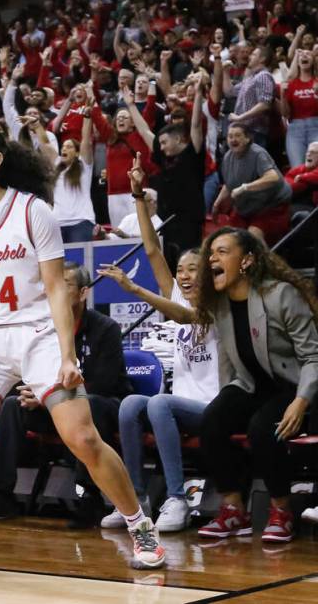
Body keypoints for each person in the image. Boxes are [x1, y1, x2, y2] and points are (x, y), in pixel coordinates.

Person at [0, 124, 163, 570]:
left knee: (83, 437)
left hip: (38, 334)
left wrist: (67, 355)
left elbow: (58, 289)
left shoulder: (32, 211)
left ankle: (139, 525)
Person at [96, 155, 220, 532]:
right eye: (179, 270)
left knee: (160, 402)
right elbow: (152, 249)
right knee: (133, 403)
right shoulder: (176, 296)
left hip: (212, 404)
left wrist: (134, 289)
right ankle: (134, 499)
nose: (182, 276)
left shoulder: (220, 304)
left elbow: (186, 316)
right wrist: (136, 196)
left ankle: (177, 499)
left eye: (191, 270)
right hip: (178, 406)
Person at [0, 262, 131, 528]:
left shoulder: (105, 328)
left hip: (104, 406)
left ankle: (90, 497)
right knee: (13, 405)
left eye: (65, 285)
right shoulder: (43, 330)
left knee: (92, 404)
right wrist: (38, 395)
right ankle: (1, 495)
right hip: (55, 406)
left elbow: (106, 383)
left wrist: (48, 396)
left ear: (82, 292)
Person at [192, 227, 318, 543]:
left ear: (247, 260)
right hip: (252, 386)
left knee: (263, 429)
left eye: (222, 251)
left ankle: (282, 510)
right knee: (211, 422)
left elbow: (313, 356)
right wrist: (225, 399)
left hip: (295, 386)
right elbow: (227, 360)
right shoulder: (218, 305)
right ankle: (234, 509)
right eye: (210, 253)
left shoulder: (280, 296)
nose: (212, 258)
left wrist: (301, 401)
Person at [126, 78, 207, 256]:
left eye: (164, 143)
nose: (160, 147)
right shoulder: (164, 158)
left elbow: (195, 125)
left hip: (189, 224)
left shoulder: (193, 153)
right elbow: (144, 131)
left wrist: (199, 95)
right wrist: (131, 105)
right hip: (167, 224)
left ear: (178, 139)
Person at [212, 123, 291, 245]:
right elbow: (230, 184)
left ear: (248, 138)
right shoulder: (227, 157)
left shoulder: (257, 153)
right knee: (229, 237)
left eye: (237, 135)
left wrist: (245, 187)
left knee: (254, 235)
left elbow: (273, 177)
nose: (233, 140)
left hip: (271, 206)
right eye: (230, 136)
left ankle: (266, 263)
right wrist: (217, 203)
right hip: (246, 208)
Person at [51, 109, 95, 242]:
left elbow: (86, 141)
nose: (64, 149)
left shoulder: (83, 166)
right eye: (63, 147)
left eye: (69, 147)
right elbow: (46, 144)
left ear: (77, 153)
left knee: (81, 262)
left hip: (81, 222)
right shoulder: (57, 166)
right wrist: (36, 127)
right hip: (57, 223)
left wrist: (87, 117)